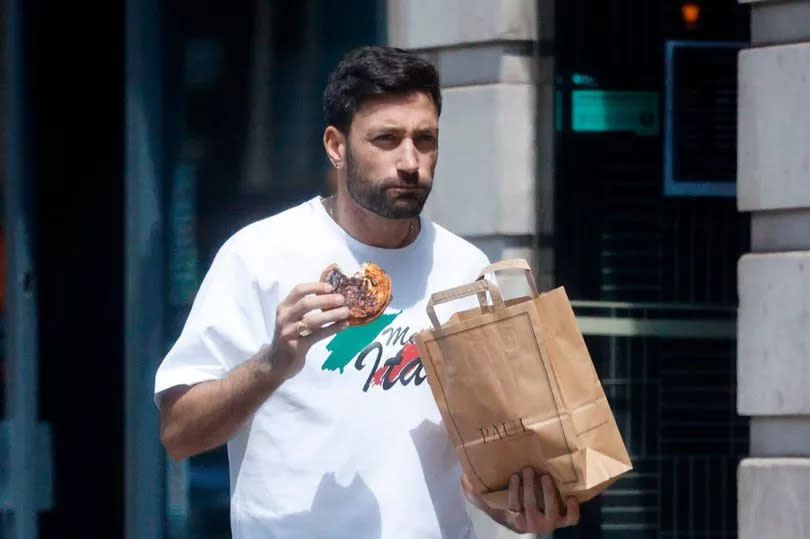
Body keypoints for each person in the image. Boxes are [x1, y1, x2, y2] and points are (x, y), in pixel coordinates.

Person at [155, 45, 580, 538]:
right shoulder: (259, 255)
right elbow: (178, 434)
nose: (410, 161)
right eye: (386, 139)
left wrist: (519, 507)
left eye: (425, 140)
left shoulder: (467, 270)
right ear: (336, 146)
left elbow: (484, 452)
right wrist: (274, 363)